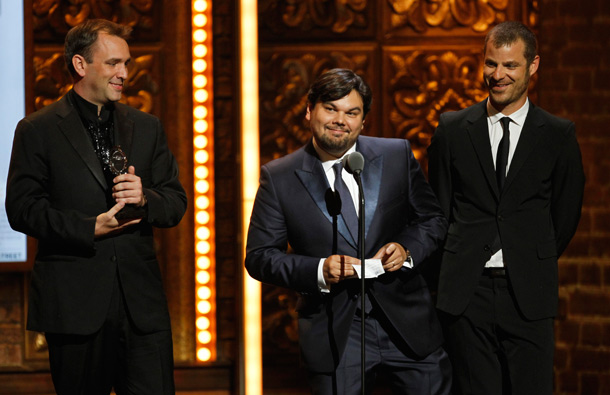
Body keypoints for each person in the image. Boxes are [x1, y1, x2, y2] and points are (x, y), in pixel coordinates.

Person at [5, 19, 186, 394]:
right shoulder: (37, 129)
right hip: (75, 306)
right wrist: (88, 228)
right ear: (80, 65)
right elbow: (21, 209)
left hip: (142, 309)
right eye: (113, 64)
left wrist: (145, 197)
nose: (124, 74)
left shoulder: (147, 126)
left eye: (127, 64)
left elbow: (175, 201)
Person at [246, 68, 451, 394]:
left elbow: (432, 220)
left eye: (352, 112)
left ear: (363, 121)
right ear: (309, 110)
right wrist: (319, 269)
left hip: (407, 325)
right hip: (336, 330)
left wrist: (406, 250)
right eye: (331, 109)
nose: (341, 120)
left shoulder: (396, 155)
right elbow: (259, 257)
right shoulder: (280, 177)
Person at [427, 21, 585, 395]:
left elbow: (565, 216)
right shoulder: (451, 129)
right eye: (491, 64)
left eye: (510, 66)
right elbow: (439, 210)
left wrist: (530, 254)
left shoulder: (558, 135)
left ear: (533, 66)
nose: (498, 75)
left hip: (528, 291)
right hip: (466, 294)